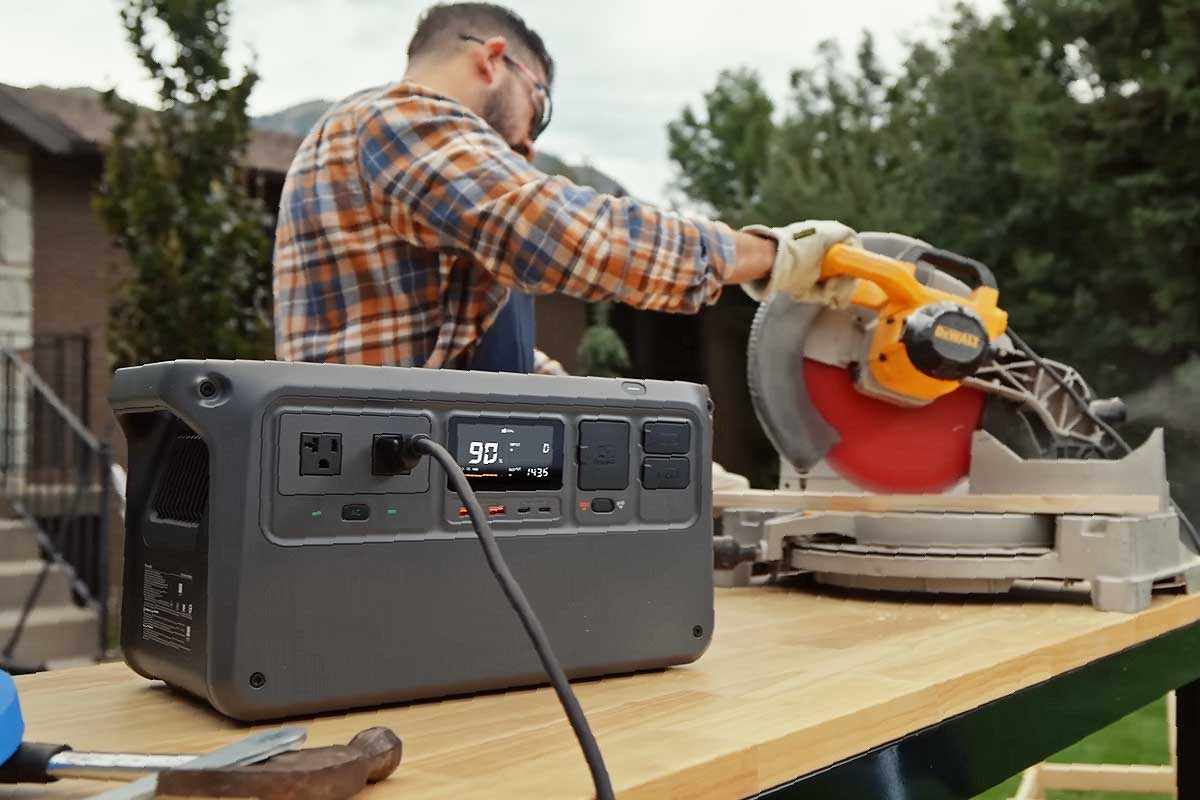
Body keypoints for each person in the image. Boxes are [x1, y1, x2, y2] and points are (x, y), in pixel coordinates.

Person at [272, 2, 860, 487]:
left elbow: (502, 367)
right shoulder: (395, 119)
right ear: (493, 60)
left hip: (415, 467)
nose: (529, 140)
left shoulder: (420, 178)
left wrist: (637, 441)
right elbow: (566, 232)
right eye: (540, 107)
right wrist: (772, 255)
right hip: (378, 481)